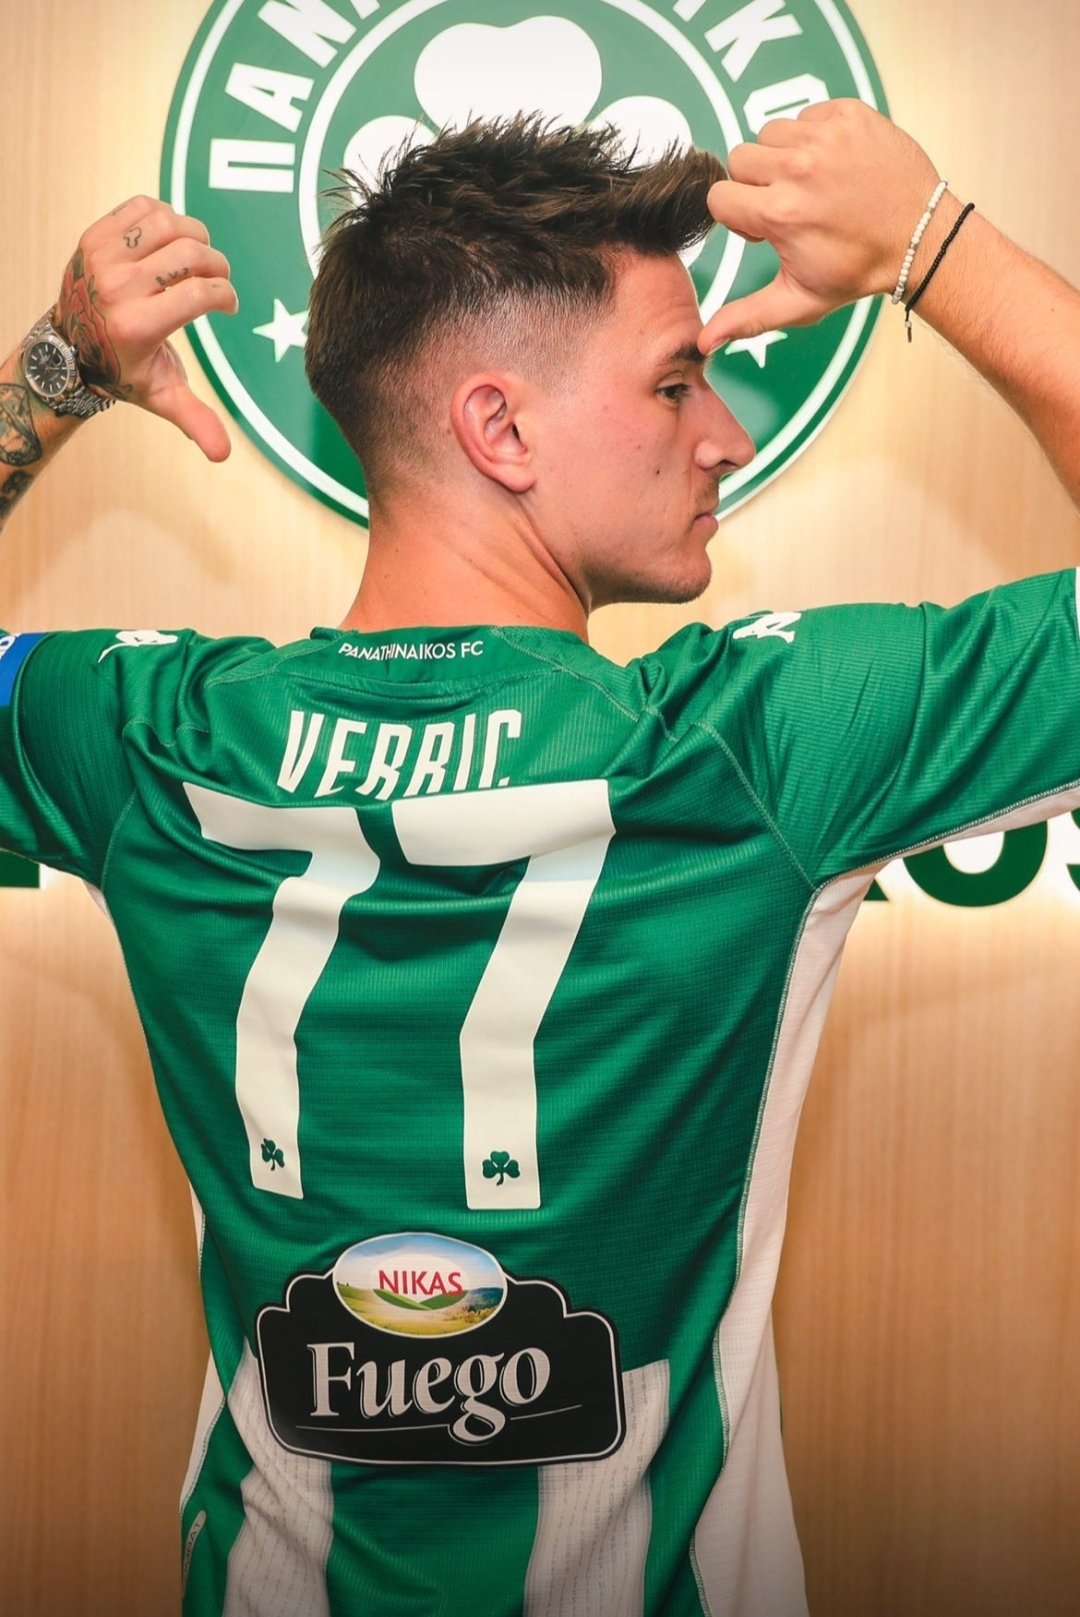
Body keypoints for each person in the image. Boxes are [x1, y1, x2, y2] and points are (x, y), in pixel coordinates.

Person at [1, 100, 1078, 1617]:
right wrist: (935, 244)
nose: (726, 434)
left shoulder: (156, 742)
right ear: (499, 429)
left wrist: (55, 370)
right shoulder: (747, 747)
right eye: (676, 382)